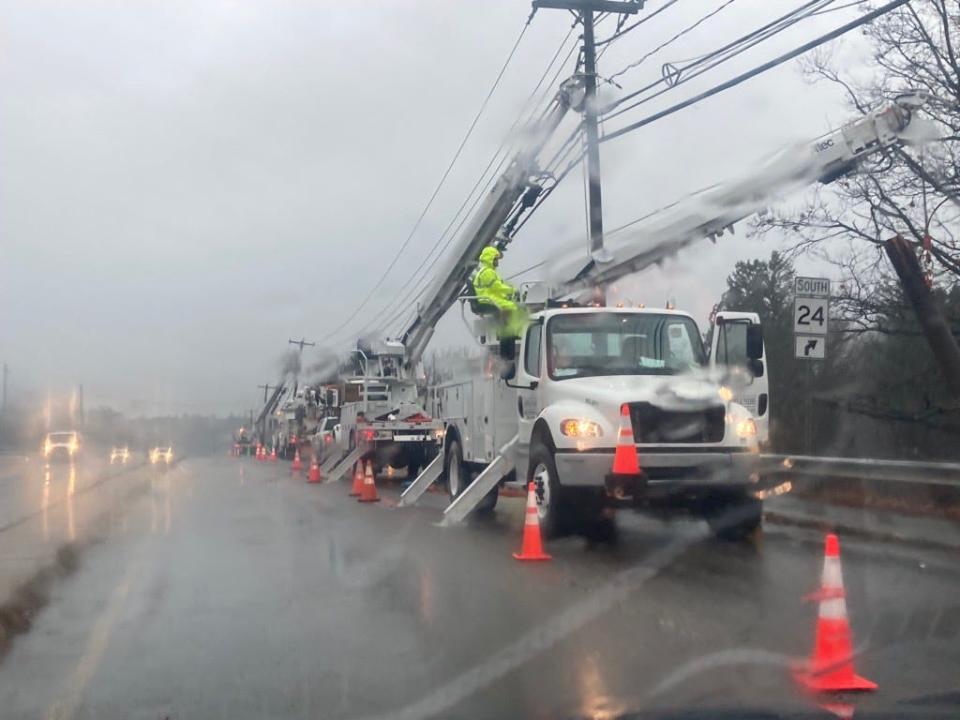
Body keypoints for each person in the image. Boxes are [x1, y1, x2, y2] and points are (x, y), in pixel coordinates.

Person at [471, 246, 525, 337]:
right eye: (496, 260)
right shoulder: (488, 272)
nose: (498, 263)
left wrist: (507, 294)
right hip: (488, 300)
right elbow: (497, 287)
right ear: (490, 259)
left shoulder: (487, 271)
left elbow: (497, 287)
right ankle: (514, 332)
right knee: (514, 307)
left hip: (488, 297)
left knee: (511, 303)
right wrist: (513, 291)